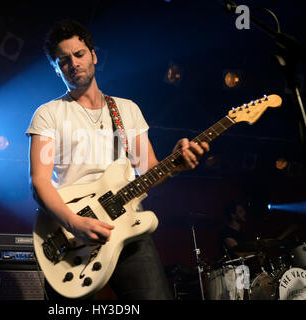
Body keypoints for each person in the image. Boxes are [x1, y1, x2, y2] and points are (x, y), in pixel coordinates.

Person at [26, 19, 209, 300]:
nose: (73, 64)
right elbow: (40, 183)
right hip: (72, 234)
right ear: (56, 68)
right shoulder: (48, 114)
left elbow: (149, 170)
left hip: (128, 227)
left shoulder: (126, 109)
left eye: (79, 54)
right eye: (63, 61)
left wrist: (175, 163)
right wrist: (75, 224)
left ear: (93, 55)